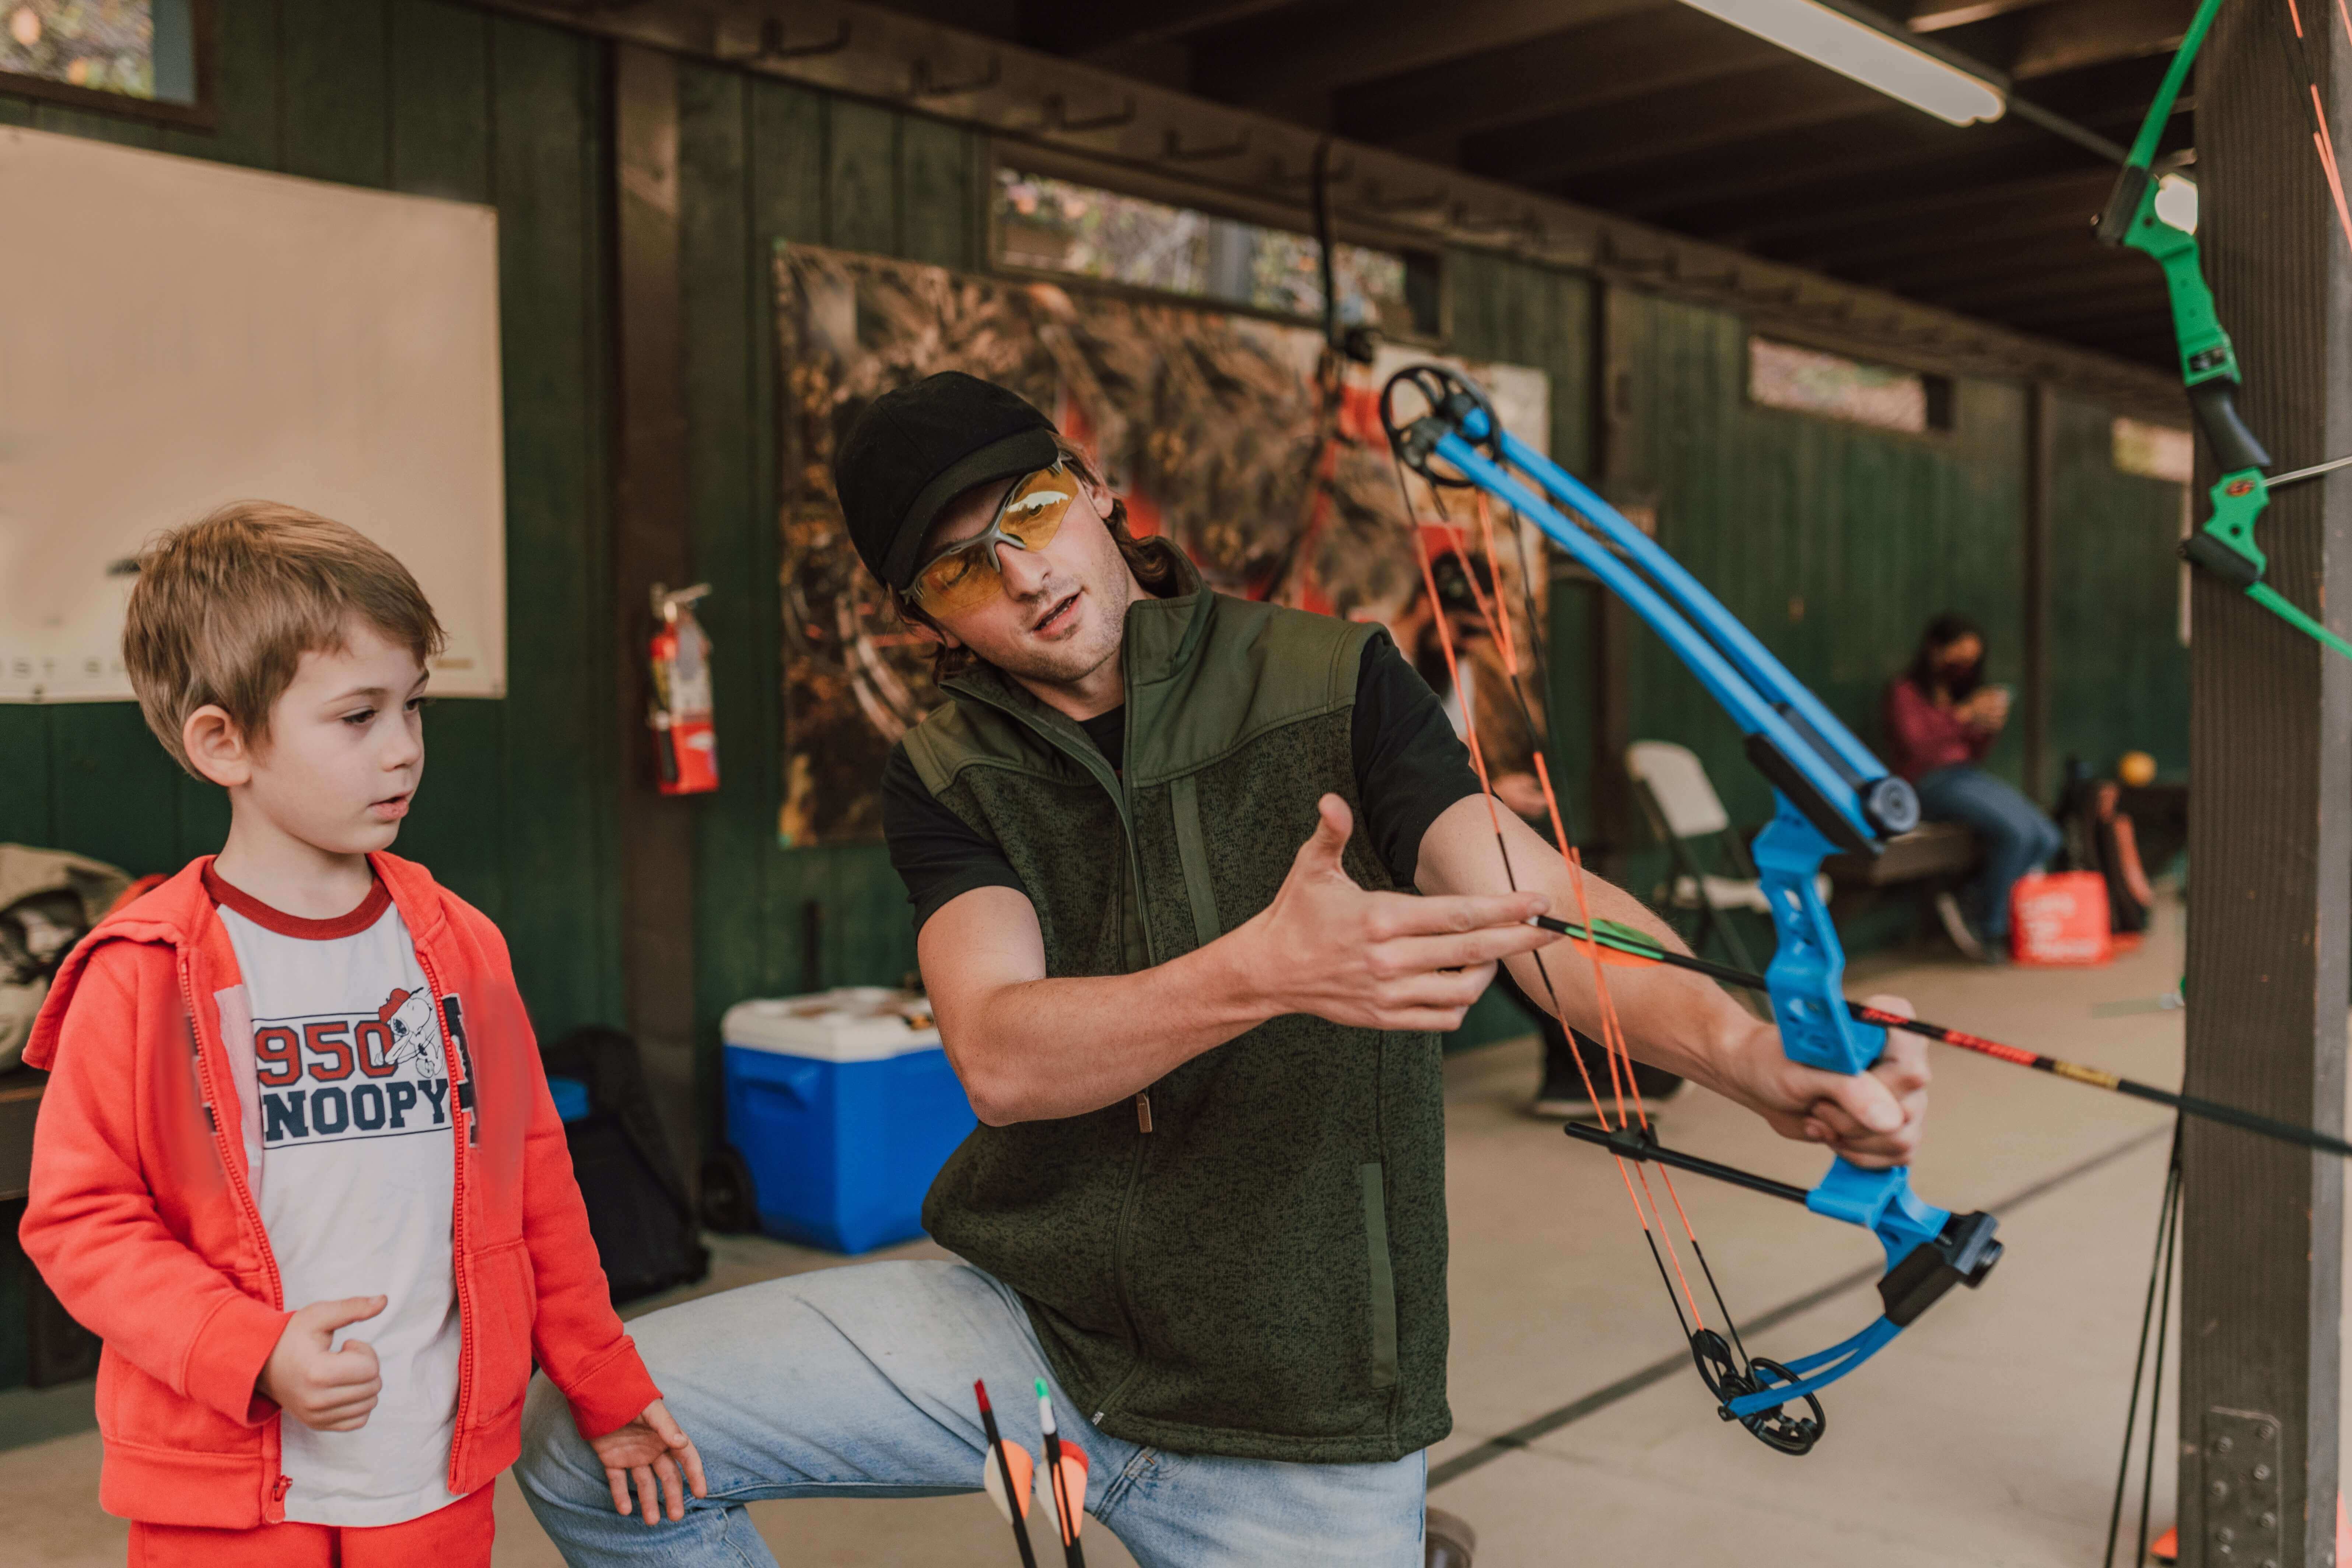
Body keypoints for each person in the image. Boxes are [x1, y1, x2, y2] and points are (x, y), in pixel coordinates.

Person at [514, 373, 1931, 1568]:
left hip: (1300, 1418)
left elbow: (1539, 905)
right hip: (1026, 1327)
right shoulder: (949, 766)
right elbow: (1002, 1055)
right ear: (927, 612)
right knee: (592, 1432)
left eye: (1027, 513)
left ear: (1092, 487)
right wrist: (1262, 967)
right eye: (958, 565)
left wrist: (1753, 1059)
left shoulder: (1329, 677)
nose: (1020, 572)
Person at [18, 503, 703, 1566]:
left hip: (428, 1479)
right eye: (358, 717)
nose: (405, 751)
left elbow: (538, 1189)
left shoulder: (460, 947)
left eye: (414, 709)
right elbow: (81, 1221)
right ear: (223, 743)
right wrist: (251, 1351)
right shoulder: (145, 973)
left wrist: (608, 1387)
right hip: (226, 1498)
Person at [1385, 538, 1683, 1119]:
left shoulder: (1454, 661)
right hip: (1385, 848)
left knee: (1518, 911)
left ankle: (1583, 1059)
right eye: (1465, 626)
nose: (1473, 641)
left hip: (1431, 836)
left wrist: (1499, 786)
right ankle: (1580, 1062)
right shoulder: (1376, 657)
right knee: (1505, 916)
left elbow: (1446, 761)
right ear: (1428, 601)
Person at [1882, 612, 2062, 960]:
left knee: (2047, 835)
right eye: (1958, 657)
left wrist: (1987, 727)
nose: (1964, 666)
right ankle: (1988, 926)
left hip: (1965, 777)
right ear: (1936, 650)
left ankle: (1974, 896)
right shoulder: (1904, 691)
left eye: (1972, 661)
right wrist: (1964, 716)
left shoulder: (1959, 693)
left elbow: (1973, 754)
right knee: (2017, 835)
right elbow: (1916, 747)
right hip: (1924, 784)